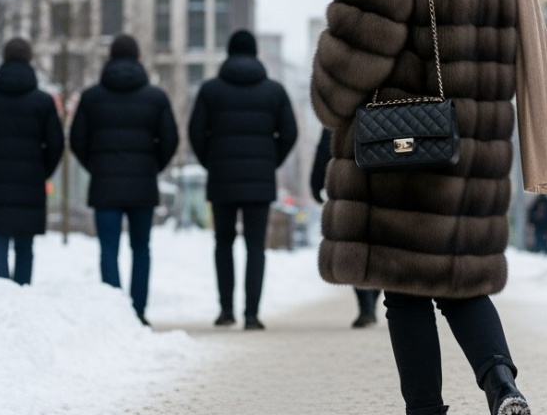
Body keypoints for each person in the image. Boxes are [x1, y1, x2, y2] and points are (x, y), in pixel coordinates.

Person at [312, 0, 547, 415]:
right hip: (474, 137)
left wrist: (329, 97)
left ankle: (424, 409)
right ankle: (501, 381)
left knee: (404, 286)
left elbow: (359, 46)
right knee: (458, 277)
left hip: (403, 134)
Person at [189, 29, 298, 331]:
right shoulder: (274, 91)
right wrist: (269, 162)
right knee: (255, 246)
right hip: (259, 182)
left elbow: (196, 132)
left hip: (222, 179)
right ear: (255, 54)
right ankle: (251, 314)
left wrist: (211, 162)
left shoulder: (210, 90)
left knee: (223, 243)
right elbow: (289, 133)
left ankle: (226, 310)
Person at [70, 34, 179, 326]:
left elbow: (77, 140)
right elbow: (170, 139)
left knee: (108, 248)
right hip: (143, 185)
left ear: (109, 59)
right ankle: (138, 311)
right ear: (139, 59)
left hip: (105, 185)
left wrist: (96, 166)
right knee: (141, 248)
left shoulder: (91, 97)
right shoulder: (156, 97)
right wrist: (152, 166)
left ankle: (113, 313)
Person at [0, 38, 65, 286]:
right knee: (24, 245)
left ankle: (0, 297)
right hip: (30, 182)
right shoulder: (43, 102)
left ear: (4, 59)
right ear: (30, 60)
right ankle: (22, 297)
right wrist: (42, 172)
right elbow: (57, 144)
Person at [310, 127, 381, 328]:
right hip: (381, 184)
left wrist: (316, 184)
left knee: (354, 249)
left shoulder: (340, 112)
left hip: (349, 189)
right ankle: (371, 302)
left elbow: (324, 149)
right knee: (377, 247)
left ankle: (365, 306)